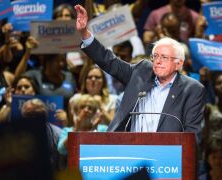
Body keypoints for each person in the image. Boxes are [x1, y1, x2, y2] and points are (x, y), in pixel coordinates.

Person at [74, 5, 206, 143]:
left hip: (165, 158)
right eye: (155, 56)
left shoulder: (192, 89)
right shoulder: (141, 72)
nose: (158, 61)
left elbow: (193, 136)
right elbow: (109, 61)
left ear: (178, 63)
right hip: (129, 151)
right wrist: (85, 34)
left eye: (165, 57)